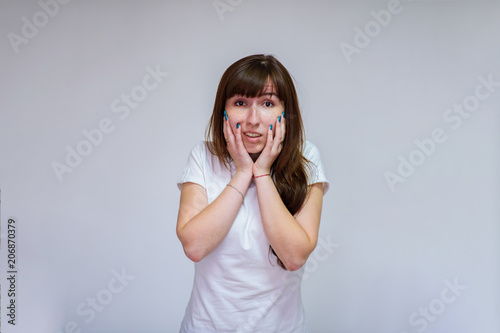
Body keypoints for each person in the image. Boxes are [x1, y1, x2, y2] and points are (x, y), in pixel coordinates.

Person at [176, 54, 329, 333]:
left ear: (286, 112)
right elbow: (194, 247)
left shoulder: (306, 157)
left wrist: (261, 173)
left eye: (268, 103)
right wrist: (243, 171)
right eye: (240, 103)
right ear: (223, 109)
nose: (253, 119)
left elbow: (294, 256)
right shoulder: (203, 156)